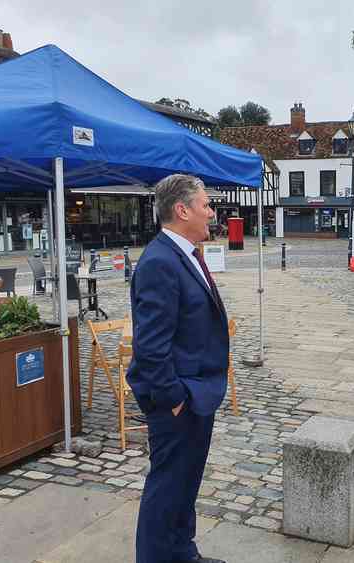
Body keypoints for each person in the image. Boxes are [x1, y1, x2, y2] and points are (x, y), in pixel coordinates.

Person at [127, 174, 228, 563]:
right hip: (179, 399)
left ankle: (182, 553)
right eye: (206, 205)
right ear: (182, 210)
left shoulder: (185, 253)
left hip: (197, 393)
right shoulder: (160, 262)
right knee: (166, 489)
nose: (211, 212)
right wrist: (173, 399)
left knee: (185, 486)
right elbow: (151, 348)